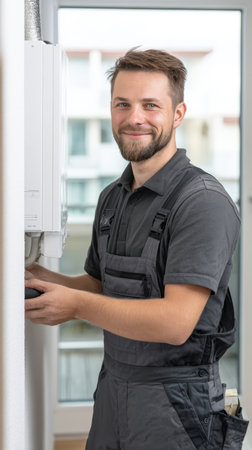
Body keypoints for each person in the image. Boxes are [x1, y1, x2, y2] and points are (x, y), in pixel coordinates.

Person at [25, 48, 248, 449]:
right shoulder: (113, 197)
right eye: (122, 104)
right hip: (113, 397)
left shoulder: (203, 202)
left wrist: (73, 306)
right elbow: (100, 284)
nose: (134, 118)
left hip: (180, 411)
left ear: (178, 114)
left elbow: (176, 322)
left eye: (150, 105)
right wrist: (42, 279)